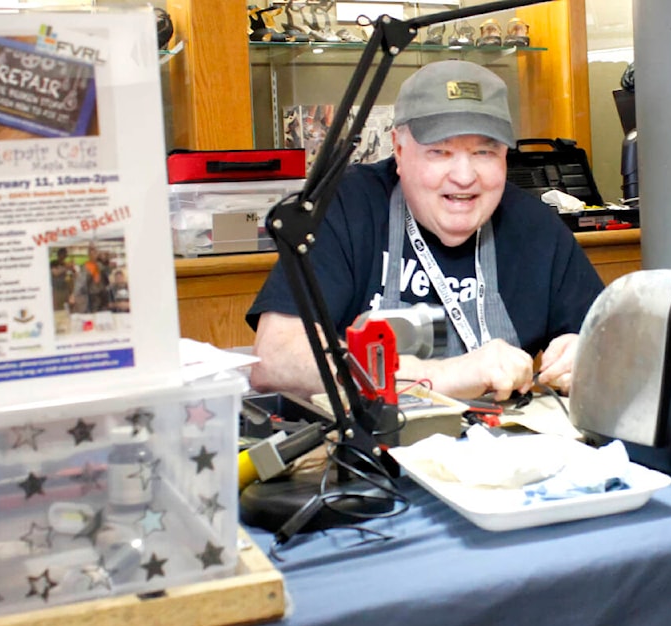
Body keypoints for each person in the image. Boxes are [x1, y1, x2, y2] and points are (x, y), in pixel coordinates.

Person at [246, 60, 604, 401]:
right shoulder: (346, 207)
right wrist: (446, 376)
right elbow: (276, 359)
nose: (464, 177)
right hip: (375, 451)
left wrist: (588, 359)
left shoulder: (535, 228)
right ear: (399, 149)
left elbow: (619, 351)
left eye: (484, 152)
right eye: (440, 152)